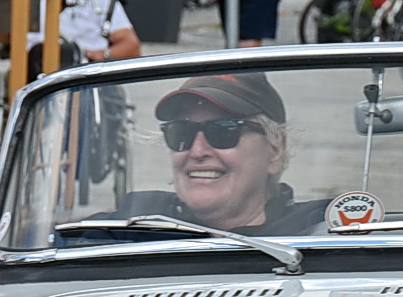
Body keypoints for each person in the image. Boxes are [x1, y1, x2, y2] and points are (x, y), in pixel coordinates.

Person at [103, 73, 325, 235]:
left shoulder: (319, 235)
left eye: (223, 131)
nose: (197, 151)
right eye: (182, 132)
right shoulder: (131, 227)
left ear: (276, 149)